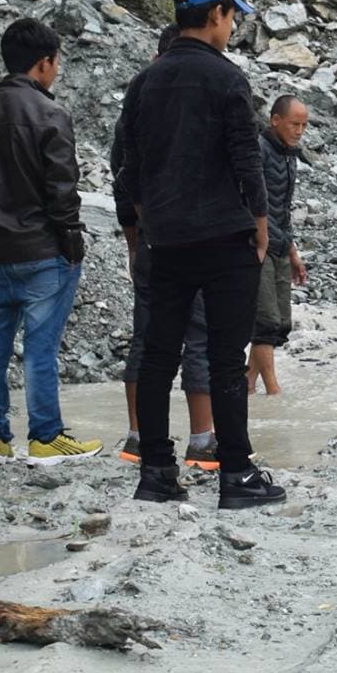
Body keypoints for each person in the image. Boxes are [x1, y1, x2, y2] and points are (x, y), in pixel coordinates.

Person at [114, 0, 284, 508]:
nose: (232, 26)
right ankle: (236, 475)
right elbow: (245, 161)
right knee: (224, 357)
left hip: (167, 241)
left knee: (158, 355)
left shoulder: (145, 82)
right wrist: (261, 227)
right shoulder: (227, 79)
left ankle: (156, 473)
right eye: (232, 16)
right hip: (225, 238)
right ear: (215, 14)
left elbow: (129, 166)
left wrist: (147, 224)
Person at [0, 17, 100, 462]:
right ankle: (46, 438)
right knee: (40, 349)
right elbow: (62, 188)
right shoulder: (50, 114)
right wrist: (72, 242)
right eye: (57, 62)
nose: (57, 69)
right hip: (43, 251)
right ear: (44, 62)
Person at [116, 25, 215, 469]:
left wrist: (134, 238)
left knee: (149, 336)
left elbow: (124, 177)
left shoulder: (138, 99)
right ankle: (202, 441)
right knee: (199, 335)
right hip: (197, 237)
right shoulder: (206, 94)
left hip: (152, 238)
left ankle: (138, 439)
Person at [248, 94, 310, 395]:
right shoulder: (258, 150)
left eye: (304, 125)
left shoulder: (289, 155)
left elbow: (283, 209)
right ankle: (274, 391)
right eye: (294, 124)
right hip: (257, 245)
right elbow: (252, 201)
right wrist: (261, 240)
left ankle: (247, 384)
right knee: (266, 321)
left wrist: (293, 252)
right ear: (275, 120)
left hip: (281, 244)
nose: (299, 131)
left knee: (281, 323)